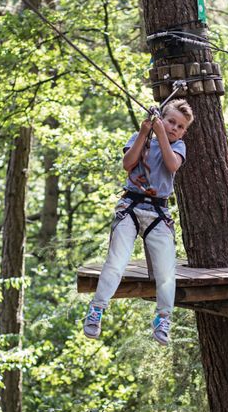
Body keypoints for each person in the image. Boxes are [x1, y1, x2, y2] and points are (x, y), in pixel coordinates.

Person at [83, 99, 195, 345]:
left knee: (166, 272)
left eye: (180, 126)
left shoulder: (180, 147)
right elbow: (128, 164)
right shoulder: (140, 137)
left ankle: (163, 318)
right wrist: (145, 133)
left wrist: (160, 134)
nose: (175, 128)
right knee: (116, 262)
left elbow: (171, 164)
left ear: (184, 132)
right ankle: (96, 309)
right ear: (161, 119)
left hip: (158, 213)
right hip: (131, 207)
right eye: (171, 122)